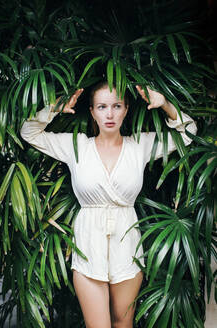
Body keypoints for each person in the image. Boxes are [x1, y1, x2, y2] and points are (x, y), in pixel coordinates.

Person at [20, 82, 197, 328]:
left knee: (122, 324)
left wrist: (165, 103)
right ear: (92, 111)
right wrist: (54, 108)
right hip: (88, 248)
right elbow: (28, 132)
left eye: (116, 106)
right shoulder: (77, 147)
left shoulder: (140, 146)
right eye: (102, 107)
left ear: (126, 110)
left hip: (128, 248)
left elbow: (188, 133)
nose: (110, 114)